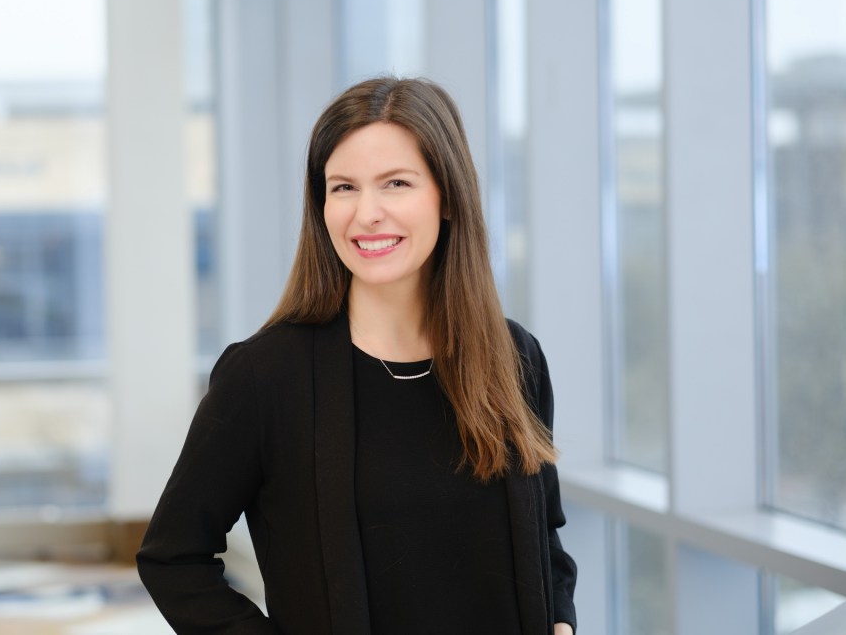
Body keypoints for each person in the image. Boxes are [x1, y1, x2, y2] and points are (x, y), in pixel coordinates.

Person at [137, 76, 578, 634]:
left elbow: (546, 536)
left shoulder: (514, 358)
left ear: (447, 198)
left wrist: (560, 625)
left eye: (395, 183)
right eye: (343, 187)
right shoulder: (265, 377)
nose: (366, 213)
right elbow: (173, 558)